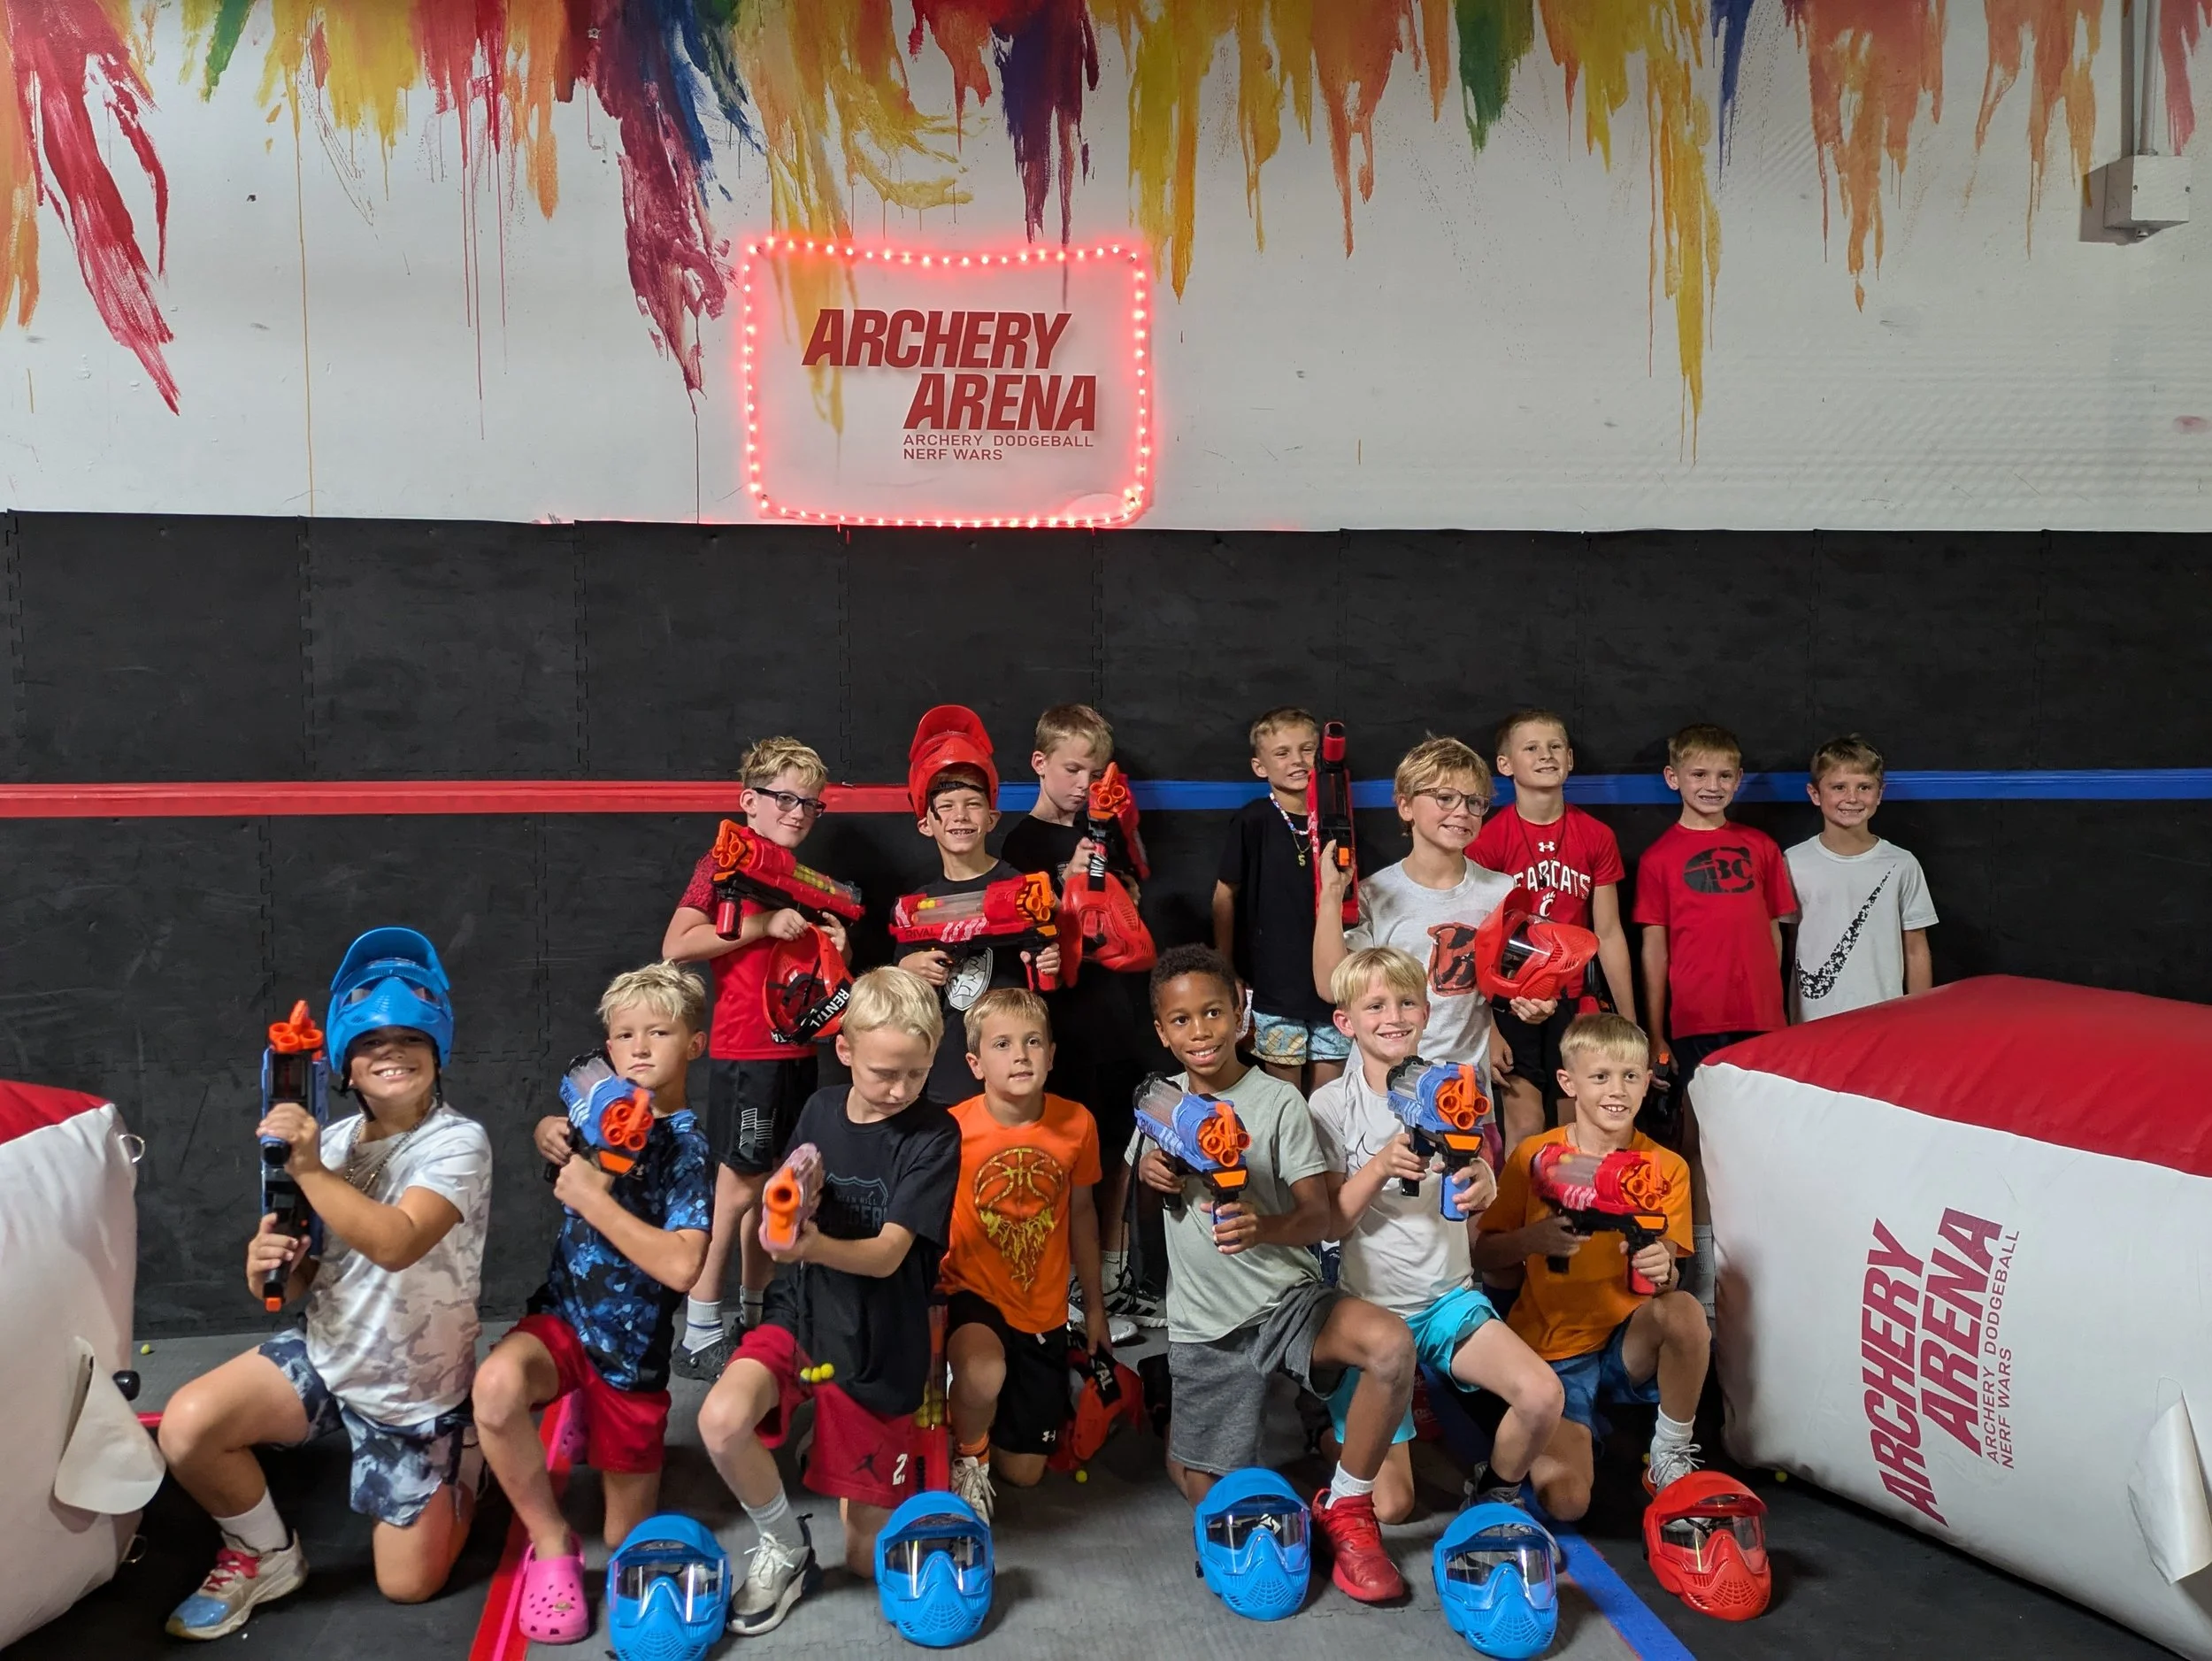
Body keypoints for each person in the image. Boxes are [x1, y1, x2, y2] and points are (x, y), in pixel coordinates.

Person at [157, 928, 489, 1640]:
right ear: (343, 1061)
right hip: (329, 1354)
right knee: (189, 1427)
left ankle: (465, 1460)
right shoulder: (333, 1142)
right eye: (371, 1042)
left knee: (407, 1586)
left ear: (438, 1051)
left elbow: (397, 1243)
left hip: (413, 1391)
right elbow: (312, 1270)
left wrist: (308, 1169)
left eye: (410, 1038)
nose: (391, 1053)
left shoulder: (458, 1142)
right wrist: (269, 1264)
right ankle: (265, 1553)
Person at [1133, 943, 1417, 1604]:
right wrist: (1151, 1175)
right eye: (1181, 1020)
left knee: (1391, 1345)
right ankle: (1175, 1409)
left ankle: (1346, 1506)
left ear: (1242, 1016)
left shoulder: (1278, 1101)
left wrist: (1263, 1224)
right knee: (1211, 1493)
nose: (1199, 1030)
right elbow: (1152, 1209)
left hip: (1289, 1301)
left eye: (1213, 1012)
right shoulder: (1161, 1104)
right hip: (1206, 1324)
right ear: (1161, 1031)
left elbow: (1319, 1215)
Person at [695, 966, 959, 1637]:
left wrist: (807, 1243)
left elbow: (890, 1253)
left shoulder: (935, 1135)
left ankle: (913, 1441)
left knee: (870, 1560)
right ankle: (786, 1544)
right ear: (844, 1050)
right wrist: (782, 1220)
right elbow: (779, 1203)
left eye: (915, 1073)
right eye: (882, 1072)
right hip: (804, 1314)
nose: (899, 1089)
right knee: (721, 1419)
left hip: (879, 1340)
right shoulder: (817, 1109)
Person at [472, 964, 715, 1645]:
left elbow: (683, 1263)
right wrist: (550, 1129)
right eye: (624, 1035)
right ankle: (550, 1543)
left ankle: (589, 1410)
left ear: (694, 1044)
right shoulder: (596, 1109)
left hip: (631, 1354)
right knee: (494, 1388)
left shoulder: (688, 1149)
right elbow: (560, 1127)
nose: (639, 1048)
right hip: (563, 1320)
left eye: (659, 1033)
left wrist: (594, 1200)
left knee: (625, 1537)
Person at [1308, 948, 1565, 1525]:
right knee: (1394, 1505)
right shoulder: (1330, 1104)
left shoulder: (1454, 1087)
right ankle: (1328, 1433)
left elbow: (1472, 1173)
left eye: (1406, 1002)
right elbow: (1330, 1222)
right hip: (1371, 1312)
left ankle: (1494, 1491)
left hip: (1449, 1299)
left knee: (1542, 1394)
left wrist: (1485, 1179)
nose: (1393, 1015)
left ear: (1426, 1012)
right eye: (1374, 1005)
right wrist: (1377, 1166)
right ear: (1346, 1021)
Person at [663, 736, 852, 1379]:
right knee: (737, 1184)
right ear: (749, 802)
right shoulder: (724, 863)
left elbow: (807, 964)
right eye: (785, 798)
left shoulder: (796, 877)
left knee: (778, 1181)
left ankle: (755, 1310)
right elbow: (677, 944)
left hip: (795, 1043)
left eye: (811, 803)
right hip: (747, 1048)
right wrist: (762, 926)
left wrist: (834, 939)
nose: (799, 811)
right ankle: (701, 1324)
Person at [1474, 1012, 1707, 1520]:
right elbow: (1483, 1256)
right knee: (1567, 1504)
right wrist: (1531, 1239)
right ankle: (1564, 1431)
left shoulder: (1668, 1167)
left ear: (1648, 1080)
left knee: (1684, 1310)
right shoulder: (1536, 1156)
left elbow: (1671, 1272)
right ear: (1568, 1082)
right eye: (1600, 1076)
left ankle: (1669, 1452)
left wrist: (1661, 1264)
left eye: (1630, 1076)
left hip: (1629, 1339)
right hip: (1555, 1349)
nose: (1616, 1091)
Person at [1632, 723, 1796, 1312]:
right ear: (1673, 778)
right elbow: (1654, 948)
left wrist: (1779, 1012)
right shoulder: (1658, 857)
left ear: (1739, 780)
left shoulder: (1762, 847)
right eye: (1699, 774)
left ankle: (1766, 1267)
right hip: (1695, 1021)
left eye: (1724, 775)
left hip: (1763, 1023)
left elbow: (1778, 937)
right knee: (1699, 1146)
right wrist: (1655, 1032)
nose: (1712, 785)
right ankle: (1700, 1279)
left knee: (1763, 1145)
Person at [997, 702, 1145, 1341]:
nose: (1086, 782)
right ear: (1040, 763)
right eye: (1073, 768)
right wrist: (1069, 882)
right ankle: (1058, 1280)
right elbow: (1028, 928)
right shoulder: (1019, 842)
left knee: (1115, 1149)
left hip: (1115, 1008)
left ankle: (1108, 1278)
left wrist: (1110, 866)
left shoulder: (1105, 828)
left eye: (1095, 770)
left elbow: (1133, 902)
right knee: (1059, 1154)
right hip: (1061, 1020)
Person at [1313, 735, 1554, 1109]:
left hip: (1463, 1094)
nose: (1462, 811)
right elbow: (1332, 987)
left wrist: (1533, 1004)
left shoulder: (1502, 892)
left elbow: (1511, 988)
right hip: (1383, 1091)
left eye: (1475, 802)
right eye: (1445, 798)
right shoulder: (1375, 894)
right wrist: (1330, 895)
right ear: (1406, 806)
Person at [941, 988, 1106, 1521]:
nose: (1021, 1055)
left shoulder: (1077, 1124)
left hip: (1042, 1309)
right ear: (975, 1063)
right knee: (982, 1370)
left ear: (1052, 1055)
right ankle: (967, 1449)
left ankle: (1051, 1384)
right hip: (971, 1293)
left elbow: (1082, 1215)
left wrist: (1097, 1309)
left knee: (1025, 1473)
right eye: (1004, 1044)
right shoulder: (953, 1130)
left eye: (1033, 1042)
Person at [1470, 710, 1637, 1146]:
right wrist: (1486, 1029)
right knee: (1524, 1125)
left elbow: (1610, 933)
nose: (1546, 756)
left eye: (1555, 747)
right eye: (1531, 748)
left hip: (1571, 997)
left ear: (1570, 758)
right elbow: (1476, 943)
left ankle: (1572, 1214)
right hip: (1512, 1001)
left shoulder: (1595, 836)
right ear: (1505, 765)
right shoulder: (1488, 840)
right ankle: (1520, 1217)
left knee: (1575, 1125)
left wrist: (1630, 1022)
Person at [895, 704, 1061, 1108]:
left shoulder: (1024, 890)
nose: (960, 816)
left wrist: (1053, 961)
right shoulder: (918, 907)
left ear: (991, 817)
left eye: (972, 804)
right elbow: (900, 990)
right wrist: (905, 971)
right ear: (925, 823)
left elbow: (1056, 970)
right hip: (945, 1074)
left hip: (1011, 1076)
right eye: (947, 806)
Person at [1213, 707, 1346, 1091]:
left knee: (1328, 1099)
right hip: (1275, 984)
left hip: (1332, 984)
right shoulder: (1253, 820)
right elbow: (1225, 894)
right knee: (1284, 1095)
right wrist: (1227, 968)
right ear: (1260, 766)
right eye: (1283, 753)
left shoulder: (1338, 816)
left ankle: (1328, 1155)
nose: (1298, 761)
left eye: (1307, 750)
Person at [1787, 734, 1936, 1020]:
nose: (1852, 798)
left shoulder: (1901, 863)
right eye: (1839, 787)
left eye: (1864, 787)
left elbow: (1916, 948)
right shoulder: (1792, 862)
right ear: (1815, 794)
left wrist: (1921, 1018)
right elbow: (1790, 946)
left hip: (1884, 1020)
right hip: (1813, 1022)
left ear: (1879, 794)